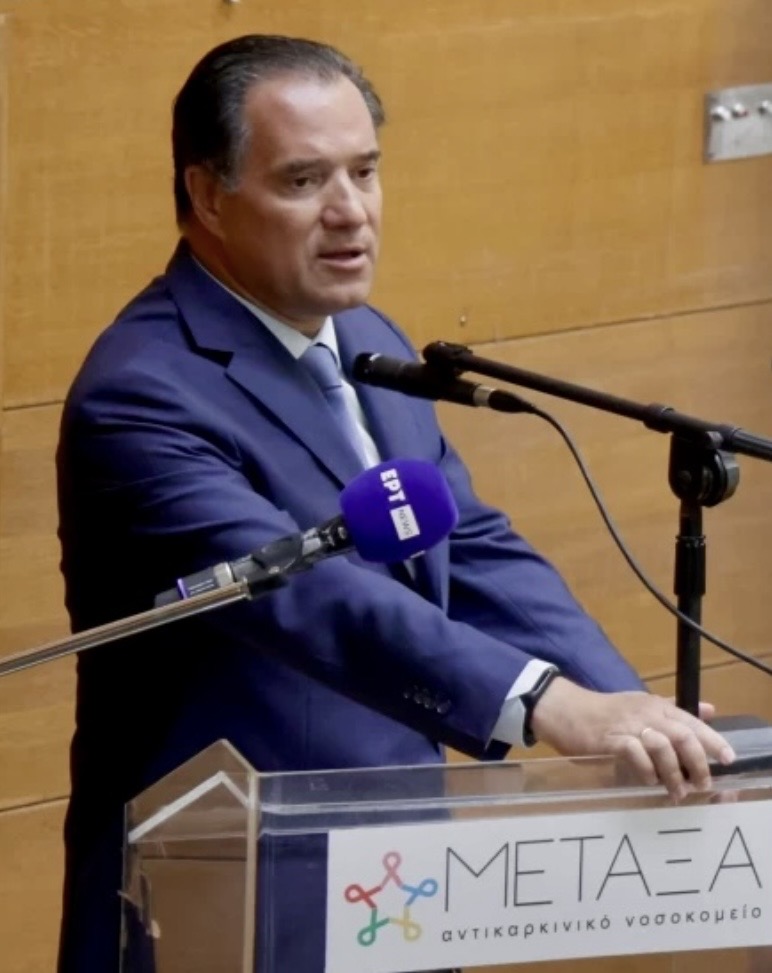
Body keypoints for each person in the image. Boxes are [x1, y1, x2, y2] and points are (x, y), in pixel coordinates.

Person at [55, 34, 735, 973]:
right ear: (208, 194)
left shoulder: (365, 339)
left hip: (393, 890)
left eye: (365, 171)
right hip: (219, 903)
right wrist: (547, 704)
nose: (351, 212)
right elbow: (306, 594)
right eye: (304, 181)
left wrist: (618, 708)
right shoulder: (142, 394)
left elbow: (470, 545)